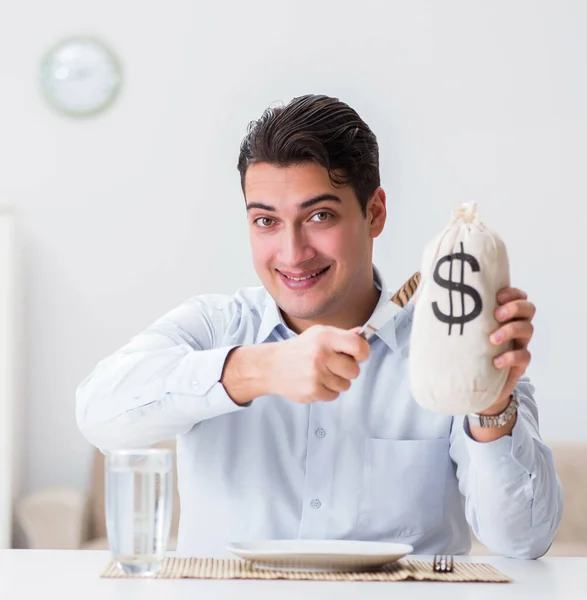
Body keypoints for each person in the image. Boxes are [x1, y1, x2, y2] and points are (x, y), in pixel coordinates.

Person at [76, 94, 562, 559]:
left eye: (319, 216)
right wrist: (254, 371)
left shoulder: (452, 341)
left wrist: (493, 400)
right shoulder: (214, 326)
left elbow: (523, 541)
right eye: (266, 221)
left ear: (374, 213)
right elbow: (98, 413)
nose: (292, 253)